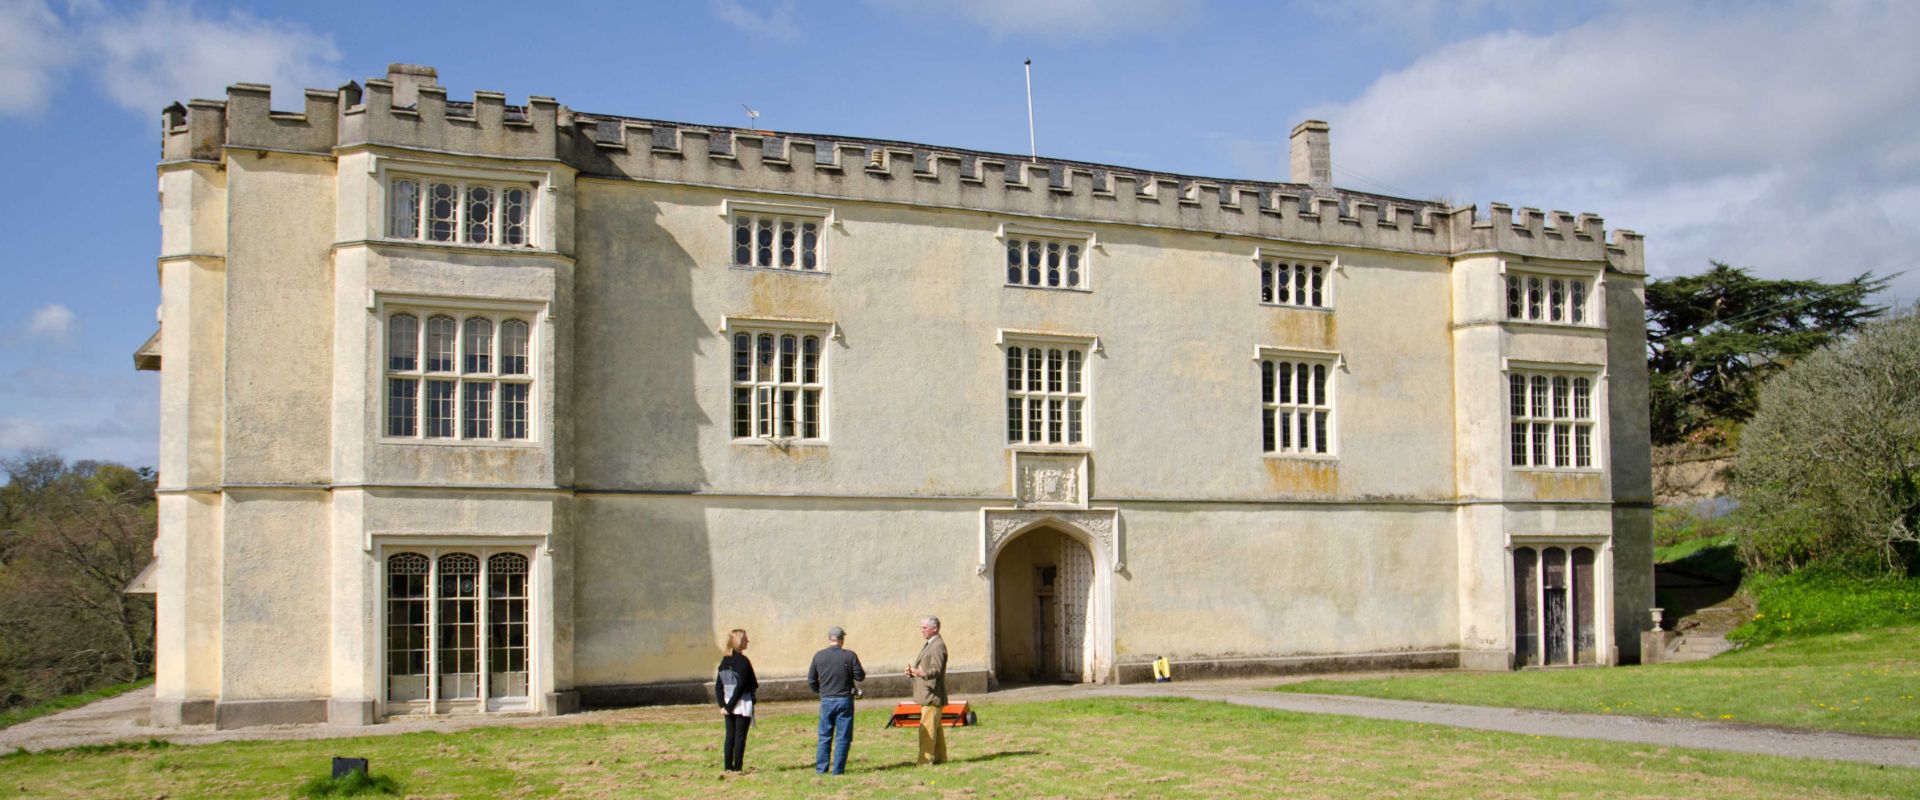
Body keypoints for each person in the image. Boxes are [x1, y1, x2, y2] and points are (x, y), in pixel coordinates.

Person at [807, 625, 864, 775]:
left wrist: (819, 691)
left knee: (824, 736)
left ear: (829, 638)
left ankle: (821, 770)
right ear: (842, 640)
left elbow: (811, 679)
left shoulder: (818, 656)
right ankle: (838, 771)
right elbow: (860, 676)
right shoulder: (850, 655)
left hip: (826, 700)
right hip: (844, 700)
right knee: (843, 737)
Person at [905, 614, 948, 765]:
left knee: (927, 730)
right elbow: (927, 666)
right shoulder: (930, 643)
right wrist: (913, 672)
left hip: (932, 694)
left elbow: (936, 669)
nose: (922, 630)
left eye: (925, 628)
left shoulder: (937, 645)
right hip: (928, 693)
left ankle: (924, 761)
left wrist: (922, 673)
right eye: (922, 627)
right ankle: (940, 758)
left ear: (934, 629)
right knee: (935, 728)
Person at [715, 629, 758, 772]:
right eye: (745, 639)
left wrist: (723, 705)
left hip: (728, 703)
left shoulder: (724, 660)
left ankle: (728, 767)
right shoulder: (743, 662)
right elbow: (741, 687)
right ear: (739, 641)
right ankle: (737, 768)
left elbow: (718, 686)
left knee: (730, 737)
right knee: (739, 737)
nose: (748, 641)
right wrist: (729, 706)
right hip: (741, 703)